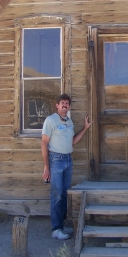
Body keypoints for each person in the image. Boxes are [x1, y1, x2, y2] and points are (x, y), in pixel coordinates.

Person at [41, 93, 92, 240]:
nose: (65, 105)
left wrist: (85, 128)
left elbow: (72, 141)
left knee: (64, 194)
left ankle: (61, 226)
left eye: (67, 103)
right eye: (62, 103)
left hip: (68, 160)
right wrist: (46, 166)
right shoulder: (50, 120)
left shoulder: (69, 122)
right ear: (57, 105)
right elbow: (44, 143)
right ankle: (56, 229)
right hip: (55, 160)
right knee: (56, 195)